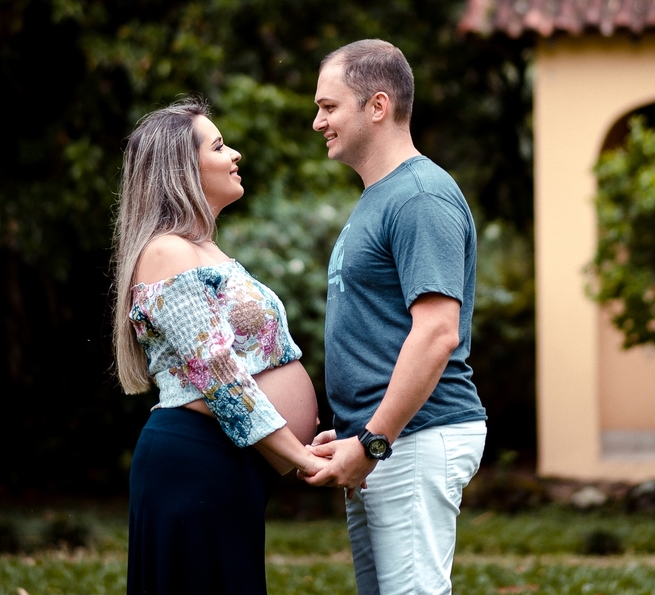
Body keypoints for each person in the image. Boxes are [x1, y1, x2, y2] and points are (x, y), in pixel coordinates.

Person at [112, 97, 322, 595]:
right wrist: (305, 458)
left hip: (228, 468)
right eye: (221, 145)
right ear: (182, 168)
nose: (236, 155)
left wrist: (305, 448)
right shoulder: (167, 252)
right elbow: (220, 376)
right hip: (195, 467)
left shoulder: (204, 249)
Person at [303, 40, 487, 595]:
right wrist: (361, 431)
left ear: (377, 106)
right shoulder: (381, 198)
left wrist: (373, 441)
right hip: (386, 440)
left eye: (329, 106)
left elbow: (437, 333)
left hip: (413, 440)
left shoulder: (419, 197)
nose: (318, 122)